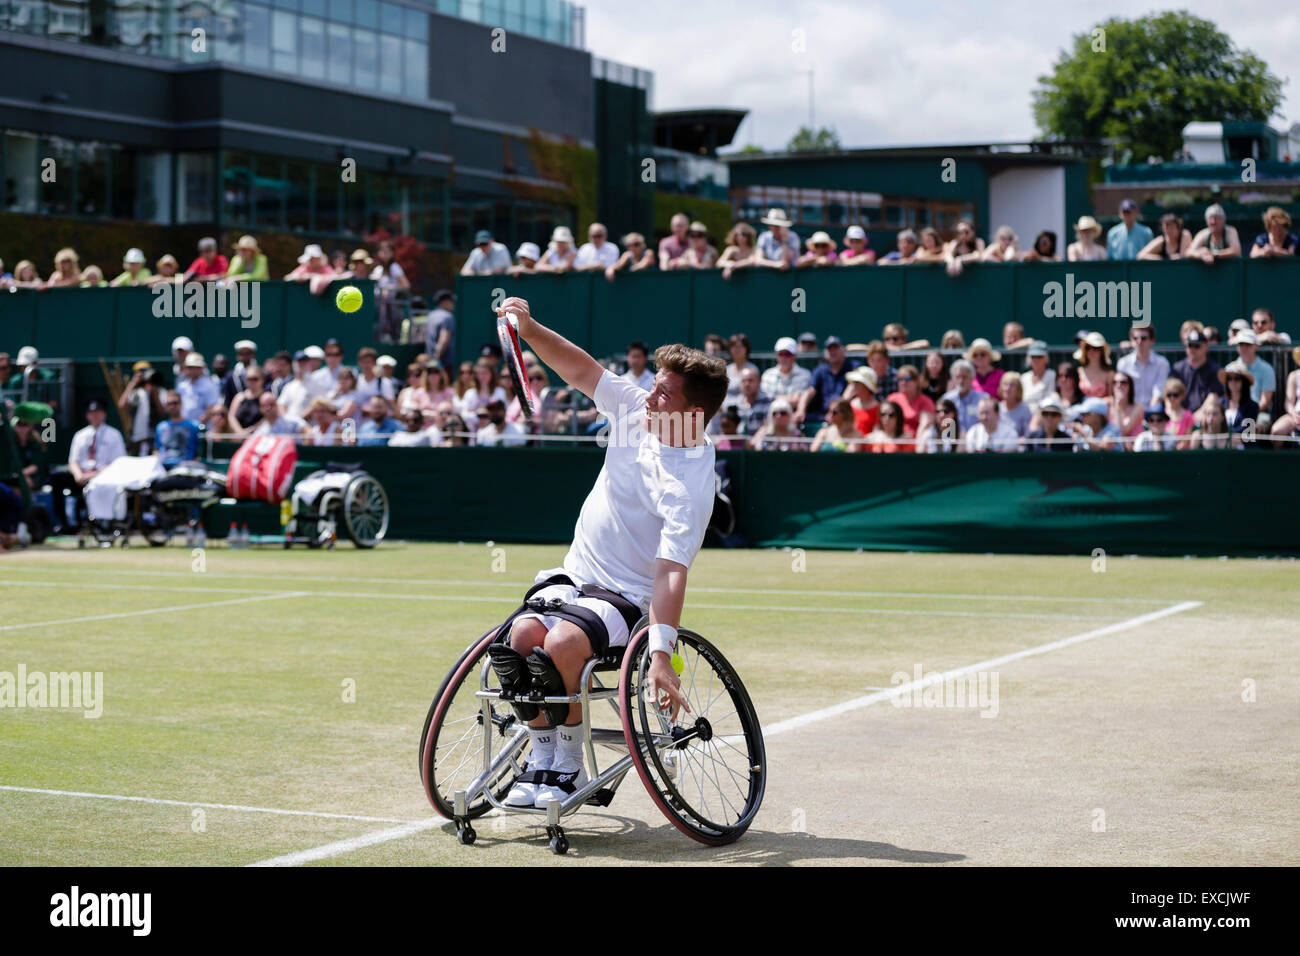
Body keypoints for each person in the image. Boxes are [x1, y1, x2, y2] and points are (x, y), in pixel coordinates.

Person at [487, 294, 725, 808]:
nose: (649, 396)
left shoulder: (689, 486)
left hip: (628, 598)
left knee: (562, 644)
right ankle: (542, 757)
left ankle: (568, 767)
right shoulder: (638, 408)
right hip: (575, 575)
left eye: (663, 393)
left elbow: (671, 572)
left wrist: (660, 654)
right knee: (520, 637)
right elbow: (580, 368)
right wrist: (529, 328)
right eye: (654, 385)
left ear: (693, 413)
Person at [796, 336, 858, 426]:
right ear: (825, 353)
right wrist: (800, 411)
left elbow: (853, 388)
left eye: (836, 348)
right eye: (830, 349)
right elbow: (810, 391)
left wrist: (835, 412)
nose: (833, 352)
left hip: (845, 415)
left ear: (843, 350)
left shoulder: (854, 367)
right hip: (822, 415)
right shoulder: (820, 370)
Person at [1116, 322, 1170, 407]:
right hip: (1130, 410)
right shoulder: (1123, 363)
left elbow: (1158, 393)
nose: (1139, 341)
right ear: (1131, 340)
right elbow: (1121, 392)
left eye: (1143, 338)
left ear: (1152, 341)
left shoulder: (1162, 363)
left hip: (1153, 411)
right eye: (1135, 338)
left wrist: (1147, 413)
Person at [117, 362, 164, 455]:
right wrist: (133, 383)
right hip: (136, 436)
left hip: (154, 436)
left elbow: (162, 412)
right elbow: (122, 405)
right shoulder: (136, 393)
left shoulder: (160, 391)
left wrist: (155, 394)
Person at [1171, 329, 1223, 413]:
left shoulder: (1215, 369)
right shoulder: (1178, 369)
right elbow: (1171, 394)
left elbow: (1213, 396)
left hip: (1205, 415)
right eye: (1190, 345)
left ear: (1206, 347)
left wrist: (1197, 415)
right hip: (1181, 415)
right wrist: (1184, 416)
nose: (1193, 349)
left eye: (1197, 346)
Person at [371, 240, 410, 342]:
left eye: (387, 251)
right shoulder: (378, 269)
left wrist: (389, 288)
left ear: (392, 253)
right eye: (382, 251)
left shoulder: (394, 267)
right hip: (378, 307)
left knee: (393, 336)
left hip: (392, 307)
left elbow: (406, 285)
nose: (385, 254)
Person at [1229, 329, 1275, 413]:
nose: (1244, 348)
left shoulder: (1267, 369)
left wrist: (1249, 413)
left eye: (1248, 344)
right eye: (1241, 344)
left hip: (1258, 414)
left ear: (1256, 346)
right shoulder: (1229, 368)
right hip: (1233, 412)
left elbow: (1265, 401)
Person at [153, 390, 201, 467]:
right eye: (169, 404)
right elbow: (156, 449)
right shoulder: (160, 427)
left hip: (186, 468)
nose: (172, 406)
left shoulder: (194, 426)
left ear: (181, 404)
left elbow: (199, 452)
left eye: (175, 403)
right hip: (164, 467)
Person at [760, 337, 812, 404]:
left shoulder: (805, 375)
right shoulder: (767, 375)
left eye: (787, 354)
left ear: (795, 356)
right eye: (780, 354)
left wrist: (774, 398)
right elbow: (765, 399)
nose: (783, 358)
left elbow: (797, 401)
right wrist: (790, 398)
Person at [1219, 361, 1260, 444]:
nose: (1233, 382)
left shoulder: (1252, 406)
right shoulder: (1220, 403)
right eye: (1229, 378)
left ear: (1244, 382)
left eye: (1237, 378)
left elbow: (1248, 435)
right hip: (1220, 446)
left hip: (1242, 448)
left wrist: (1229, 437)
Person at [941, 359, 982, 433]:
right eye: (958, 377)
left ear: (972, 378)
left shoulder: (982, 400)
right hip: (953, 438)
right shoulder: (947, 399)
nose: (961, 381)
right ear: (953, 379)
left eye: (964, 377)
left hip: (977, 438)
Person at [177, 353, 221, 422]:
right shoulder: (181, 386)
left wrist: (198, 424)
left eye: (196, 367)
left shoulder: (210, 386)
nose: (193, 370)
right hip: (184, 425)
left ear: (202, 368)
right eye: (190, 367)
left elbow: (212, 407)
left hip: (203, 426)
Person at [1074, 332, 1114, 398]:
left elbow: (1112, 398)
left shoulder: (1110, 374)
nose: (1091, 351)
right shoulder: (1078, 372)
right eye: (1088, 348)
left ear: (1102, 351)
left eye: (1095, 348)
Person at [1019, 341, 1056, 412]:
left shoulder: (1052, 375)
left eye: (1039, 357)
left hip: (1045, 413)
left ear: (1046, 358)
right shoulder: (1024, 377)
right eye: (1033, 357)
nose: (1036, 360)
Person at [1109, 371, 1145, 443]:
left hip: (1133, 448)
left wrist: (1118, 406)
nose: (1118, 385)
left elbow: (1122, 432)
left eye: (1123, 382)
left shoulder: (1138, 407)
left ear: (1130, 386)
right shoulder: (1106, 404)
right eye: (1115, 382)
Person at [843, 367, 880, 436]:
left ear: (866, 386)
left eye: (857, 382)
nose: (853, 385)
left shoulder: (878, 408)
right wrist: (845, 399)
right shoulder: (849, 404)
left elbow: (876, 434)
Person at [424, 289, 455, 370]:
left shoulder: (430, 315)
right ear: (445, 302)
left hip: (429, 360)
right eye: (452, 301)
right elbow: (444, 340)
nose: (453, 304)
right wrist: (436, 359)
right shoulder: (447, 316)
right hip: (443, 363)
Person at [724, 333, 758, 398]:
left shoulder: (752, 369)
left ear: (746, 349)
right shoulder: (727, 369)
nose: (737, 349)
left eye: (740, 346)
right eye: (734, 346)